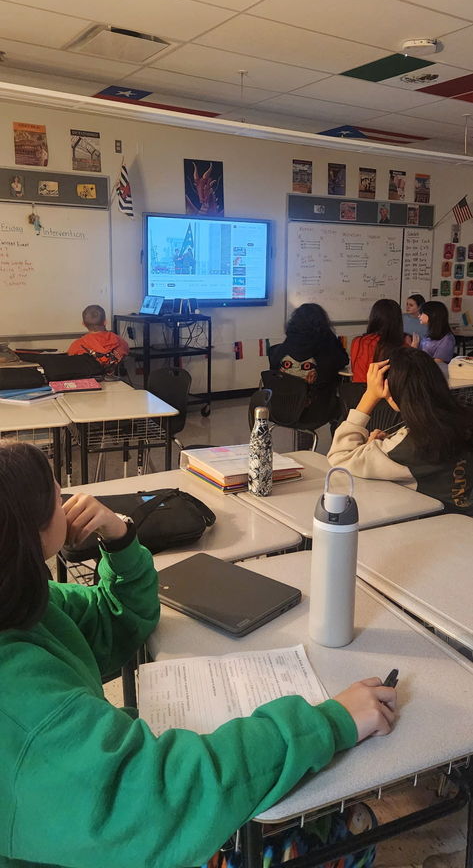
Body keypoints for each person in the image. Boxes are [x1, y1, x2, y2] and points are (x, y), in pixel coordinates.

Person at [0, 441, 397, 868]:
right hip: (113, 844)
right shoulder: (22, 706)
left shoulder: (23, 600)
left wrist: (119, 538)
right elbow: (162, 798)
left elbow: (119, 622)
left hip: (95, 825)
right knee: (347, 833)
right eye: (56, 491)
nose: (67, 495)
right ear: (31, 531)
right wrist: (329, 722)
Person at [328, 348, 473, 513]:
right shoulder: (463, 418)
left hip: (432, 525)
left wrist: (370, 395)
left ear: (390, 391)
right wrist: (377, 447)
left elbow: (339, 458)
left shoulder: (409, 445)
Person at [269, 303, 348, 426]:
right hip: (315, 412)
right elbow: (343, 360)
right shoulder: (327, 344)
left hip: (281, 409)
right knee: (344, 406)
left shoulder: (286, 344)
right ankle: (340, 443)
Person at [350, 299, 407, 384]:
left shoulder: (358, 342)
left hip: (359, 392)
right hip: (386, 393)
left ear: (373, 317)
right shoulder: (401, 346)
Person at [411, 300, 456, 365]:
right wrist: (414, 347)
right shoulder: (429, 333)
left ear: (432, 314)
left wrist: (414, 349)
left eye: (421, 313)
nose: (419, 316)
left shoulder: (447, 339)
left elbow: (438, 364)